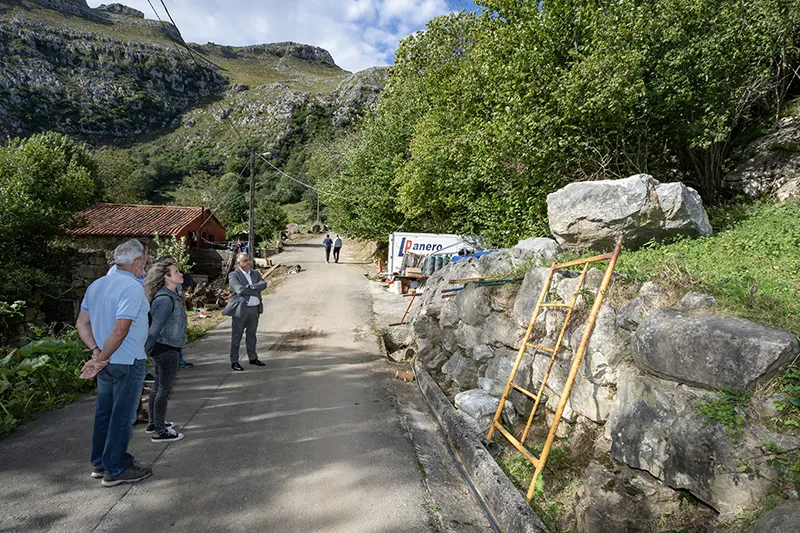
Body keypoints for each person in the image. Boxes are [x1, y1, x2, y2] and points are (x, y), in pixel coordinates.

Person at [76, 239, 152, 487]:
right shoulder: (131, 288)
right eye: (146, 261)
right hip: (127, 360)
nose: (146, 265)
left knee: (104, 413)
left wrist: (97, 353)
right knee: (123, 416)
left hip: (106, 362)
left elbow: (82, 323)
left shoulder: (97, 285)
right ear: (138, 262)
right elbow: (120, 330)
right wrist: (102, 357)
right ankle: (115, 468)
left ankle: (100, 462)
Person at [143, 260, 187, 443]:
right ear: (166, 277)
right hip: (166, 348)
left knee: (158, 387)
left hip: (167, 346)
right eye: (176, 272)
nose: (181, 274)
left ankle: (154, 423)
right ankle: (160, 431)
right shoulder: (164, 300)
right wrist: (146, 351)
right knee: (164, 390)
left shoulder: (171, 295)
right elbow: (154, 328)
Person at [222, 253, 267, 371]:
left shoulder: (255, 273)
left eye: (248, 260)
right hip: (241, 310)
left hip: (254, 309)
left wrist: (251, 286)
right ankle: (234, 361)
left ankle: (253, 357)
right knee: (236, 336)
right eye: (245, 261)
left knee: (251, 335)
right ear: (239, 263)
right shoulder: (234, 275)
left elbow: (264, 284)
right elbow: (239, 289)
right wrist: (255, 290)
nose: (248, 262)